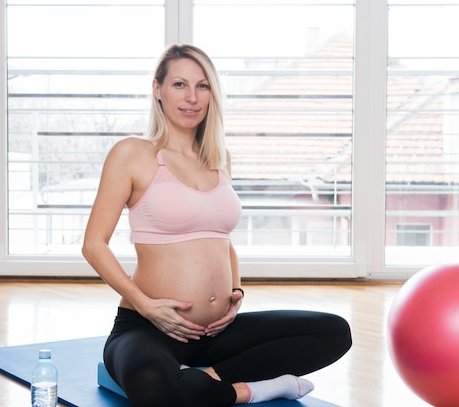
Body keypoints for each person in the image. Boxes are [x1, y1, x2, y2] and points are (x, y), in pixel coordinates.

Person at [82, 44, 352, 407]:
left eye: (203, 86)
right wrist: (146, 306)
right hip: (151, 327)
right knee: (150, 383)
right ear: (157, 89)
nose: (192, 97)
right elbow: (94, 244)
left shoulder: (220, 159)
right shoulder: (132, 155)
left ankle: (208, 380)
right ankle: (257, 389)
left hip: (218, 331)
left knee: (334, 331)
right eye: (179, 85)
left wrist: (235, 292)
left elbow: (222, 239)